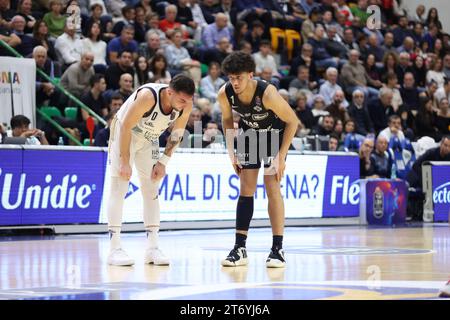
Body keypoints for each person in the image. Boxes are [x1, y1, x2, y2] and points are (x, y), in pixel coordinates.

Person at [217, 51, 300, 268]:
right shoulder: (224, 94)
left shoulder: (268, 93)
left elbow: (293, 122)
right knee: (246, 189)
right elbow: (227, 121)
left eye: (239, 78)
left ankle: (277, 249)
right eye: (231, 78)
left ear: (250, 75)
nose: (235, 82)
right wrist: (231, 152)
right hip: (249, 135)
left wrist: (281, 157)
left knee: (272, 185)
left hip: (275, 134)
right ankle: (240, 247)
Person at [106, 74, 195, 266]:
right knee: (119, 188)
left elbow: (177, 134)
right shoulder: (148, 96)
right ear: (170, 92)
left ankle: (153, 248)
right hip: (124, 135)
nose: (184, 104)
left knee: (152, 189)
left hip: (149, 139)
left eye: (188, 101)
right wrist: (124, 160)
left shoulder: (186, 104)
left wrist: (163, 161)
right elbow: (125, 126)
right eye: (181, 100)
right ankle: (114, 249)